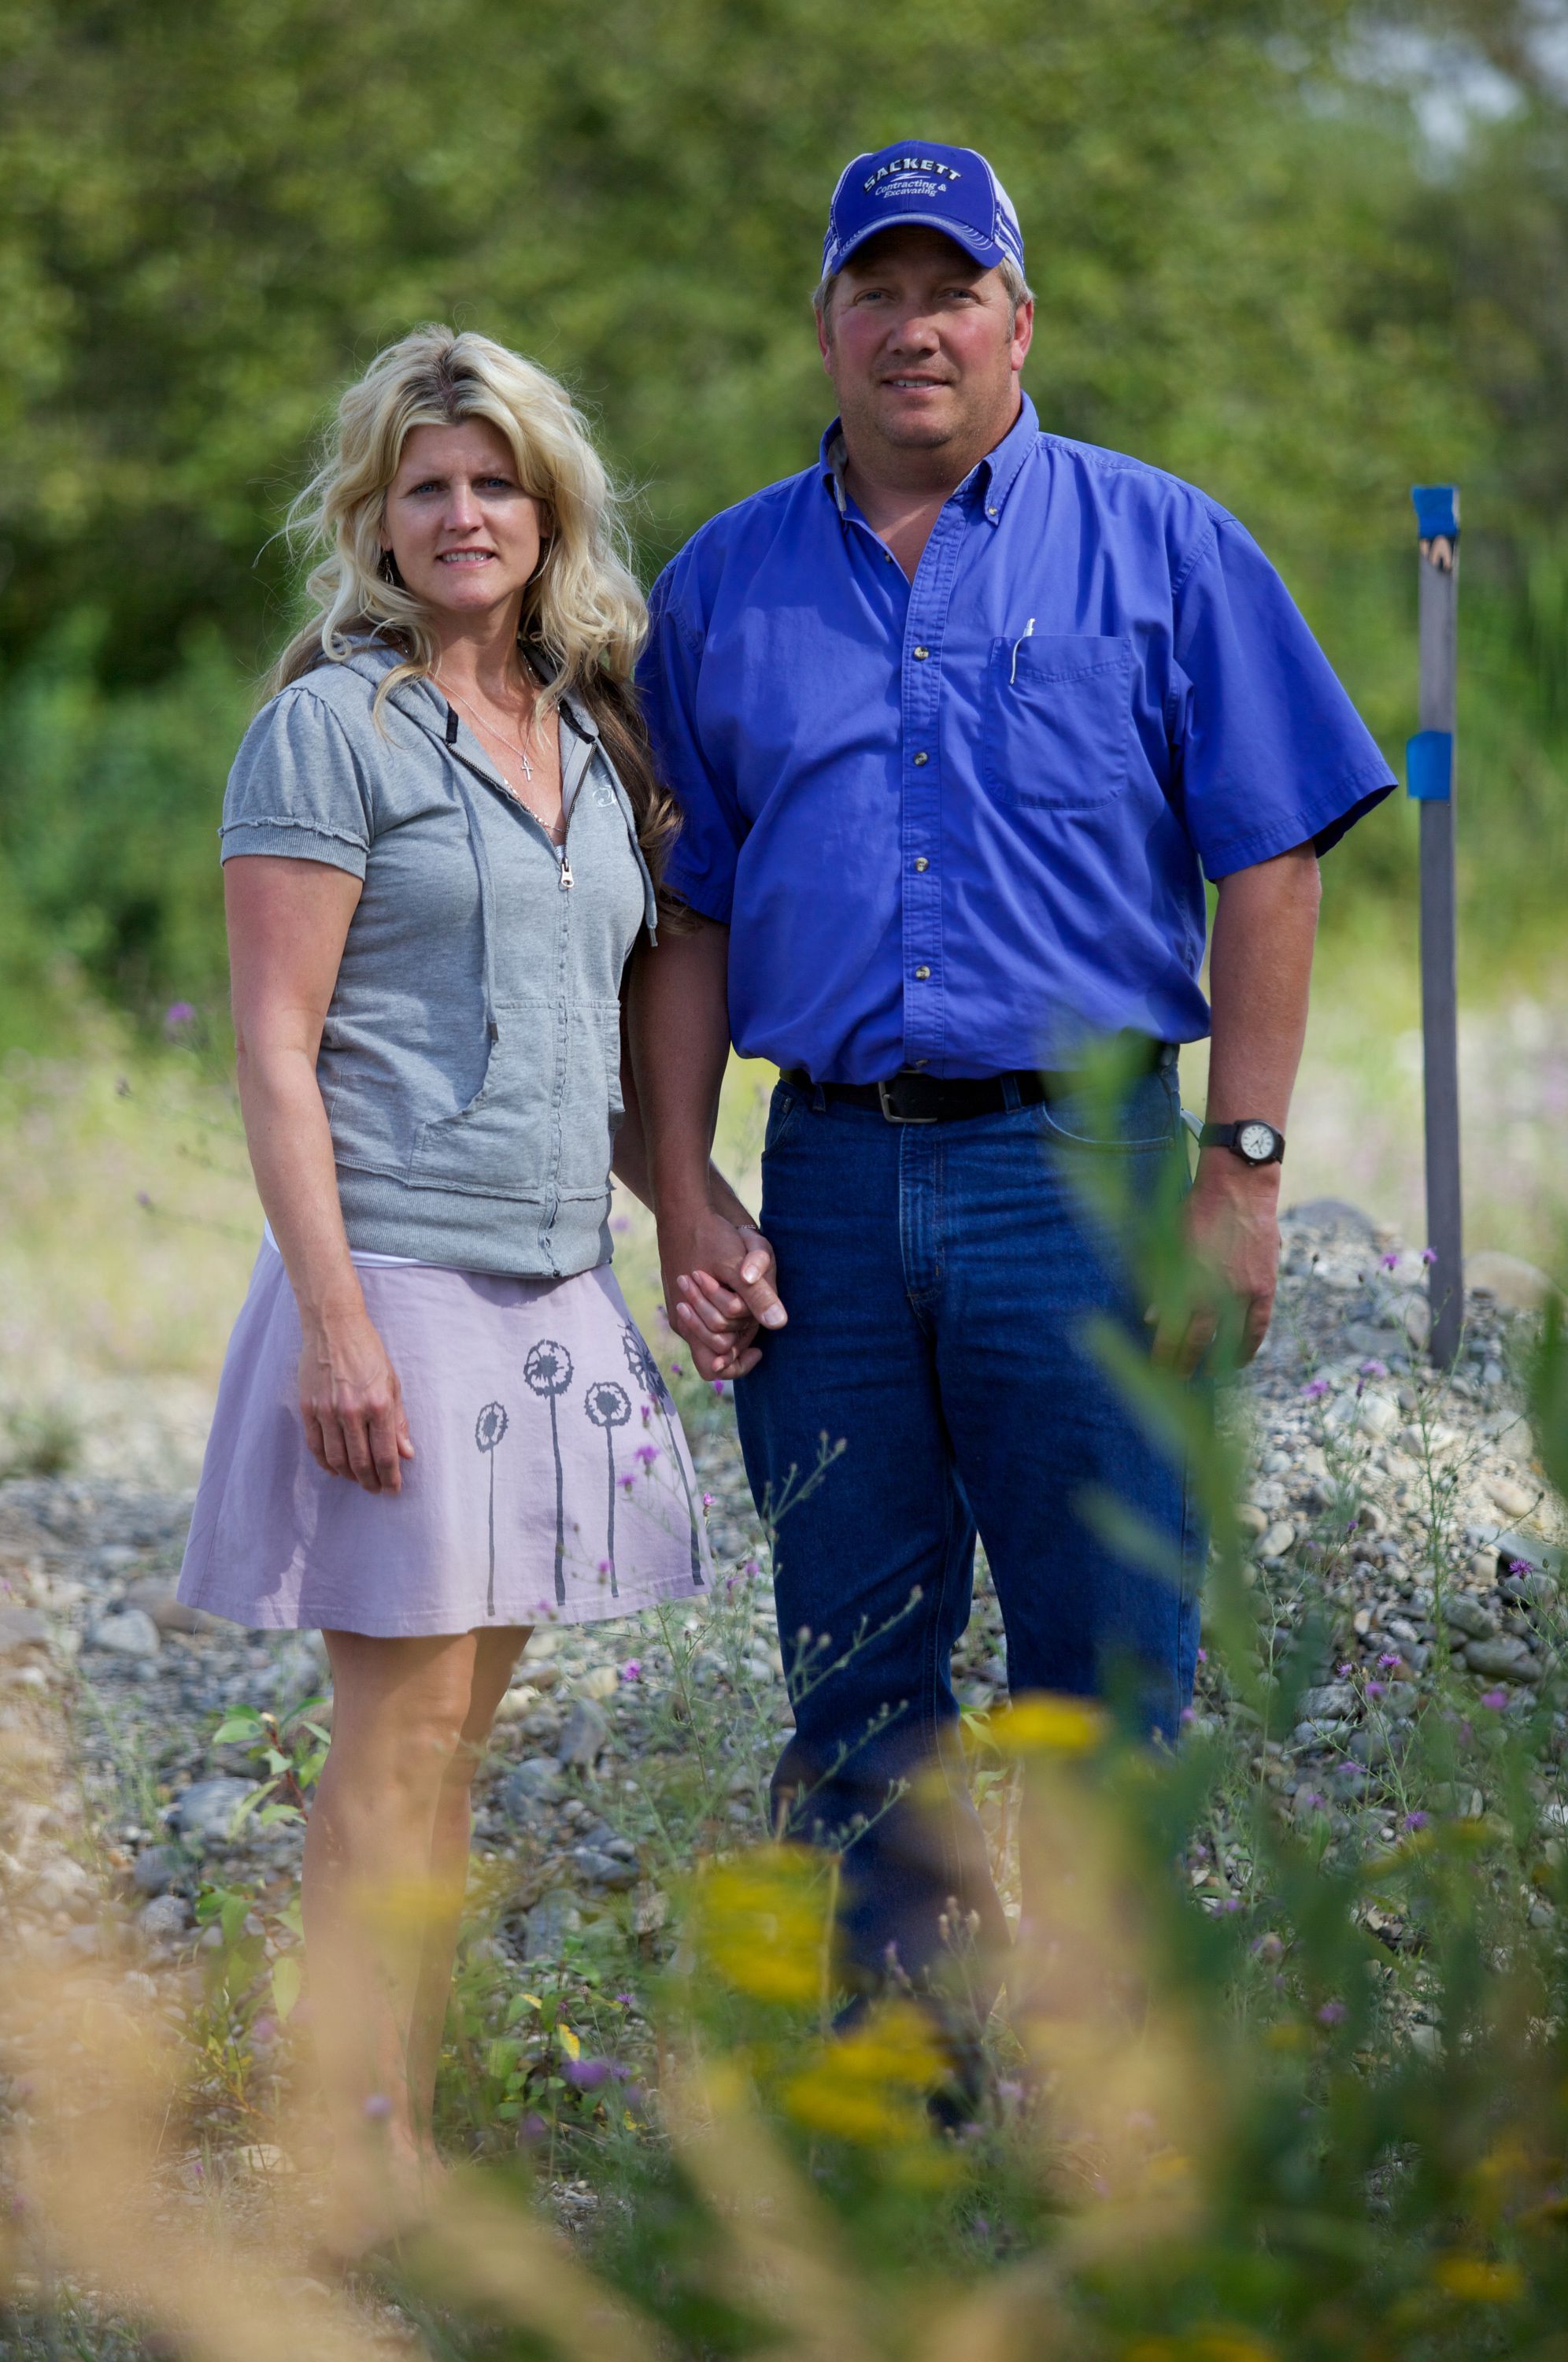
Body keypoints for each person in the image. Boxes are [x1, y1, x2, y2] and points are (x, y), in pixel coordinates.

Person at [631, 143, 1394, 2064]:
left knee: (1107, 1654)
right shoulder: (719, 585)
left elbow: (1272, 863)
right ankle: (901, 2088)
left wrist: (1242, 1171)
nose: (915, 329)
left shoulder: (1164, 544)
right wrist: (682, 1188)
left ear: (1018, 321)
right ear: (826, 324)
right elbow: (685, 913)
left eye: (950, 291)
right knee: (854, 1665)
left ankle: (1113, 2089)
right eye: (875, 292)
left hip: (1091, 1169)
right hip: (822, 1181)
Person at [176, 327, 736, 2256]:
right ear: (375, 519)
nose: (464, 513)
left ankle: (396, 2122)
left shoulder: (595, 737)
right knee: (394, 1739)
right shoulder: (328, 732)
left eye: (495, 481)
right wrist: (335, 1324)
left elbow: (603, 1041)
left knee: (460, 1746)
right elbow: (273, 1050)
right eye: (426, 486)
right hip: (397, 1273)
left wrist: (694, 1211)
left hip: (554, 1277)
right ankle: (351, 2154)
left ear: (548, 508)